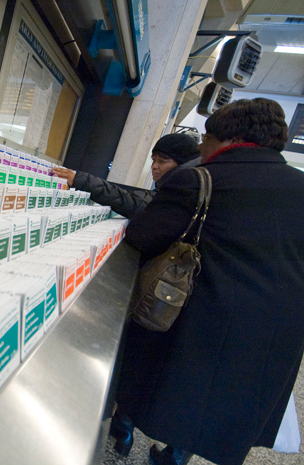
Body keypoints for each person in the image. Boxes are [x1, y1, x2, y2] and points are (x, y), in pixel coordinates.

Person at [115, 98, 304, 465]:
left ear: (228, 139)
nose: (201, 146)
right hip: (281, 326)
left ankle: (121, 434)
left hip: (205, 319)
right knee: (226, 405)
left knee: (163, 382)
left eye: (206, 137)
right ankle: (174, 458)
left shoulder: (200, 180)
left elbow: (144, 236)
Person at [52, 133, 200, 219]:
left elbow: (135, 203)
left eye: (162, 161)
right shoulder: (169, 188)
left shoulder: (181, 193)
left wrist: (81, 180)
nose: (154, 166)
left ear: (181, 165)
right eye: (153, 160)